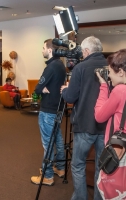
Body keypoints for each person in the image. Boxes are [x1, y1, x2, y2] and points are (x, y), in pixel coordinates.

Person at [60, 36, 107, 200]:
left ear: (86, 51)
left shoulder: (81, 67)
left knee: (78, 164)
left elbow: (71, 97)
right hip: (106, 126)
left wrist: (64, 90)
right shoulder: (112, 67)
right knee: (101, 167)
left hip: (84, 125)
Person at [31, 39, 66, 186]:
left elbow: (38, 88)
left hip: (48, 110)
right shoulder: (61, 66)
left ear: (50, 50)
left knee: (48, 143)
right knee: (57, 139)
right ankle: (60, 167)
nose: (42, 51)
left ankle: (48, 175)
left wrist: (41, 89)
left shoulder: (51, 67)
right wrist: (42, 88)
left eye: (43, 48)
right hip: (58, 108)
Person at [95, 49, 126, 199]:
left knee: (112, 190)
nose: (109, 75)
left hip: (119, 150)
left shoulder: (120, 90)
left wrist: (103, 86)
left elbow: (99, 116)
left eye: (110, 71)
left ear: (120, 72)